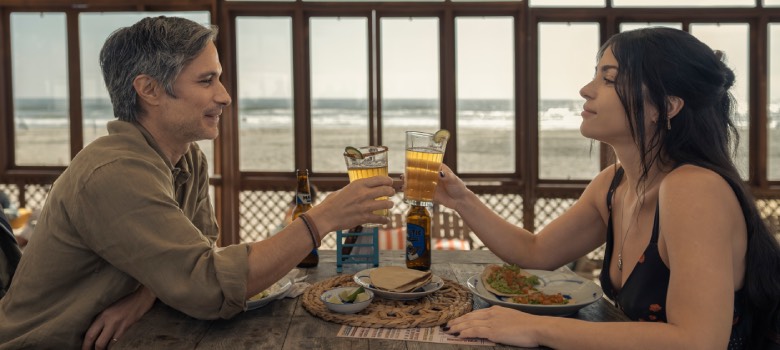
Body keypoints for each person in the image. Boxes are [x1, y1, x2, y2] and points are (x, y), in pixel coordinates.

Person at [0, 16, 394, 349]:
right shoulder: (115, 173)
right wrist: (321, 219)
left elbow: (200, 246)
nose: (225, 96)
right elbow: (210, 288)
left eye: (219, 79)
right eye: (206, 81)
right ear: (149, 90)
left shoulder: (186, 156)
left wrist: (145, 294)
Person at [437, 27, 780, 349]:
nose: (586, 90)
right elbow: (535, 252)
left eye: (609, 79)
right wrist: (462, 199)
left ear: (665, 107)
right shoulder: (614, 184)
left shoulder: (695, 189)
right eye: (596, 75)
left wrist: (535, 328)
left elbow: (697, 341)